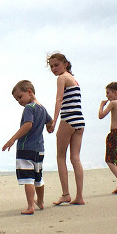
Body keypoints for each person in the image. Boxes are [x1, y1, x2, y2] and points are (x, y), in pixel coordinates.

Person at [2, 80, 53, 215]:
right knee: (38, 177)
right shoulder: (41, 107)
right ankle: (40, 201)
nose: (19, 101)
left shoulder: (29, 108)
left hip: (26, 148)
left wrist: (12, 139)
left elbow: (28, 124)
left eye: (20, 97)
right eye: (16, 99)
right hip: (39, 149)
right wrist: (49, 127)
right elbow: (50, 121)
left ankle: (31, 206)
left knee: (28, 179)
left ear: (29, 92)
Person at [47, 52, 85, 205]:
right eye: (51, 66)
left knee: (61, 157)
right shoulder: (74, 80)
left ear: (65, 64)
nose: (54, 68)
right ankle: (80, 196)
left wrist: (54, 121)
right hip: (80, 121)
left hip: (68, 119)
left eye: (56, 65)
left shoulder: (62, 78)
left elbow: (59, 100)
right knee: (75, 158)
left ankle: (66, 194)